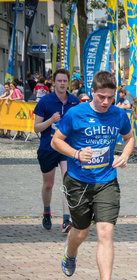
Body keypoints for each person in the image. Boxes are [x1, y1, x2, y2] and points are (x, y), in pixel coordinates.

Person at [51, 70, 134, 280]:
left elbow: (129, 138)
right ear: (92, 93)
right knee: (81, 231)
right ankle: (70, 250)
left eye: (110, 97)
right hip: (78, 181)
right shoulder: (76, 113)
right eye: (101, 97)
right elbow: (56, 141)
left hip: (106, 180)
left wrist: (125, 155)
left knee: (105, 232)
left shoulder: (118, 115)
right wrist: (76, 153)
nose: (106, 102)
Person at [33, 68, 79, 232]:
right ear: (54, 83)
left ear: (68, 83)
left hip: (67, 148)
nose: (62, 84)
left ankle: (66, 220)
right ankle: (47, 211)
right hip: (48, 147)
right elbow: (36, 128)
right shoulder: (45, 102)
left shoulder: (74, 102)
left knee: (67, 183)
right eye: (59, 81)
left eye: (65, 81)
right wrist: (51, 120)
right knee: (48, 184)